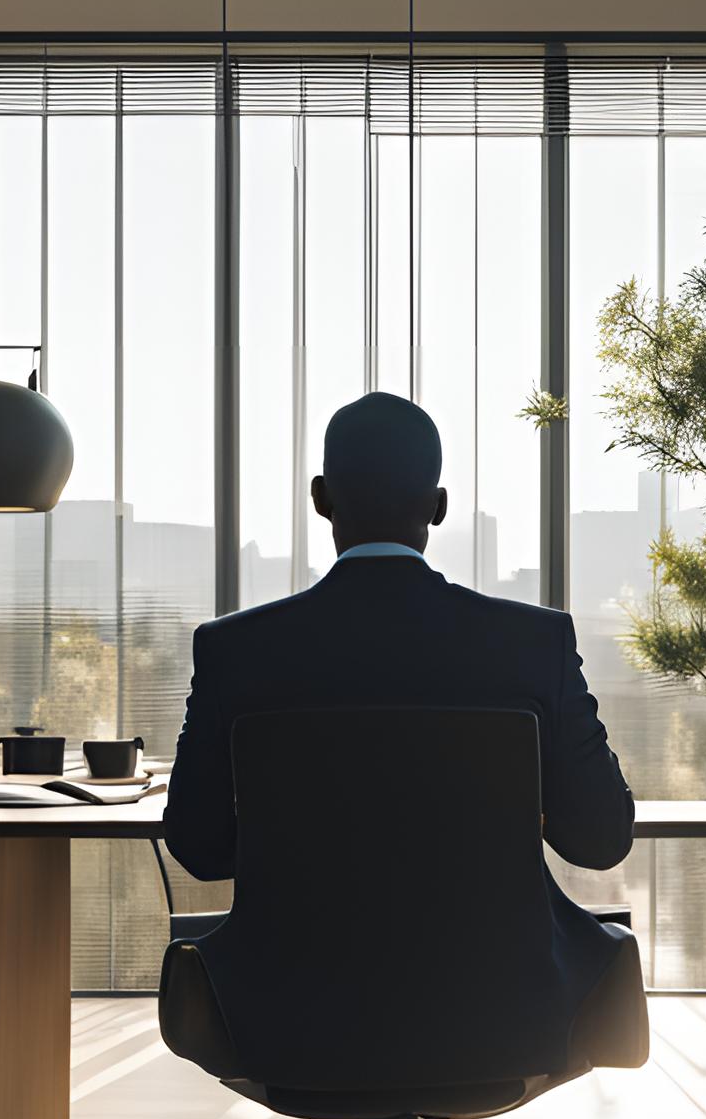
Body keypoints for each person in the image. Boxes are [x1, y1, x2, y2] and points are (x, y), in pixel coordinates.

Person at [163, 390, 637, 1029]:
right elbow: (602, 839)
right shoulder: (531, 645)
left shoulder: (234, 652)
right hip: (507, 1013)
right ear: (439, 508)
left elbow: (200, 849)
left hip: (288, 1019)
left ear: (321, 498)